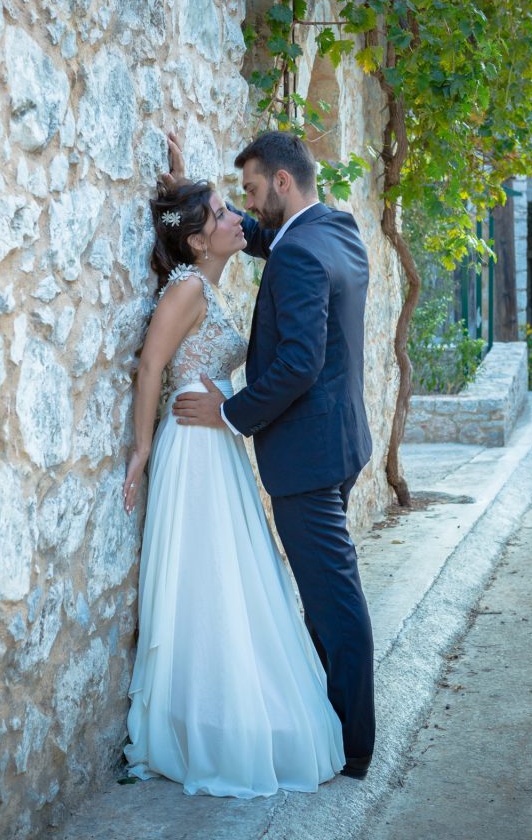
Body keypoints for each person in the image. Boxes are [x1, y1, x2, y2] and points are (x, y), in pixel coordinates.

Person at [122, 145, 345, 798]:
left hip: (217, 443)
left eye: (232, 203)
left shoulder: (204, 279)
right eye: (223, 212)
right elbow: (149, 367)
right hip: (192, 452)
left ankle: (227, 711)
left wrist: (182, 172)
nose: (237, 220)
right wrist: (140, 451)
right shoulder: (189, 286)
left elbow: (227, 229)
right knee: (206, 581)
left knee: (226, 579)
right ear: (197, 240)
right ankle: (206, 723)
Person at [172, 131, 376, 780]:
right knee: (328, 590)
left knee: (330, 597)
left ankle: (351, 743)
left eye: (255, 192)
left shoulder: (298, 257)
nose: (248, 208)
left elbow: (297, 364)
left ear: (283, 184)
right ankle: (336, 719)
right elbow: (265, 240)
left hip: (308, 458)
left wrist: (228, 413)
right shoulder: (334, 230)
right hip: (341, 442)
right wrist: (191, 195)